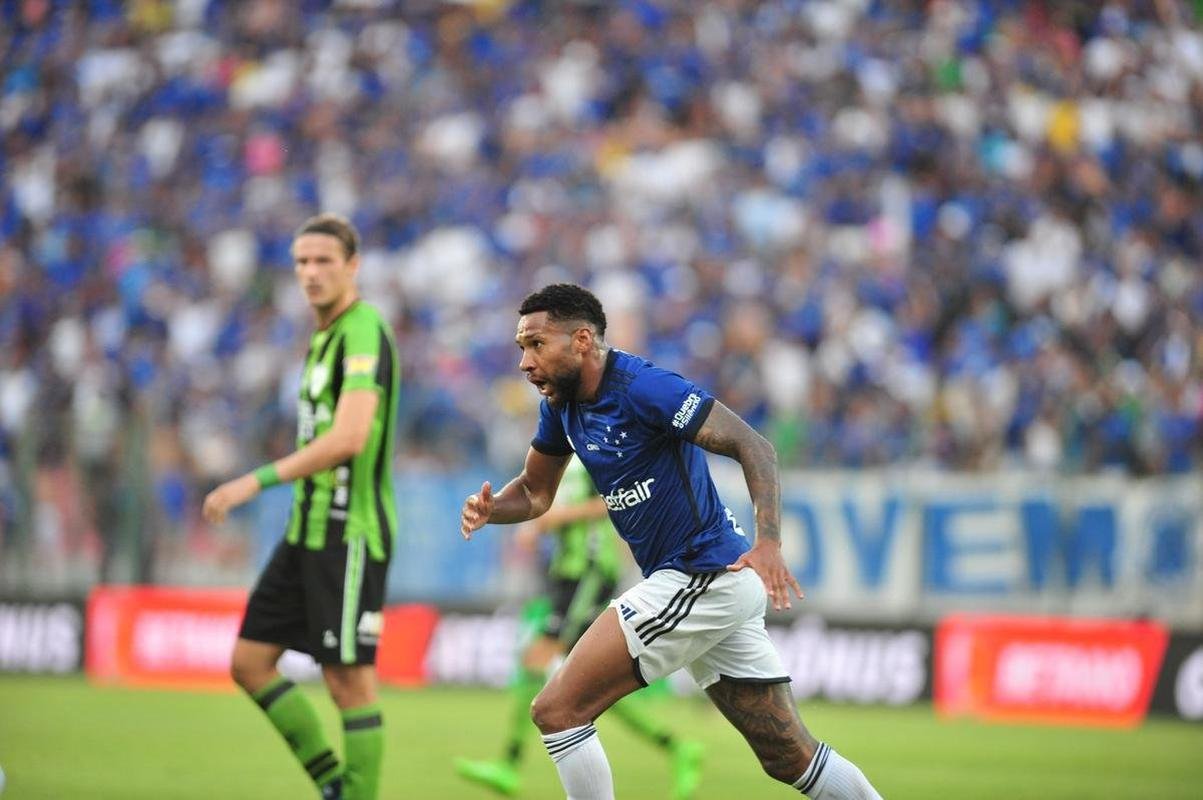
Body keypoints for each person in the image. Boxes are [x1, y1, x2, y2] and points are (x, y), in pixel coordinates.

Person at [460, 284, 883, 799]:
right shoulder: (561, 404)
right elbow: (534, 491)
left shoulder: (644, 388)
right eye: (520, 347)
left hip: (699, 574)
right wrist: (491, 509)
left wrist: (769, 541)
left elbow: (754, 445)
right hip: (711, 582)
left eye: (536, 344)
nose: (525, 362)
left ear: (583, 340)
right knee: (788, 756)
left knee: (557, 710)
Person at [202, 213, 399, 800]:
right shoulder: (322, 336)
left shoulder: (364, 329)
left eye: (324, 262)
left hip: (349, 532)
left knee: (348, 682)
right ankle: (336, 788)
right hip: (306, 530)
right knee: (250, 662)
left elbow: (349, 438)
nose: (310, 273)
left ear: (353, 266)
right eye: (301, 263)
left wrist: (254, 482)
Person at [455, 456, 704, 799]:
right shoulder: (559, 448)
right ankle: (676, 747)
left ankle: (510, 765)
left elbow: (610, 501)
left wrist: (551, 520)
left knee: (539, 660)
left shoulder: (591, 447)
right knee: (582, 682)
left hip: (588, 569)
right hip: (568, 570)